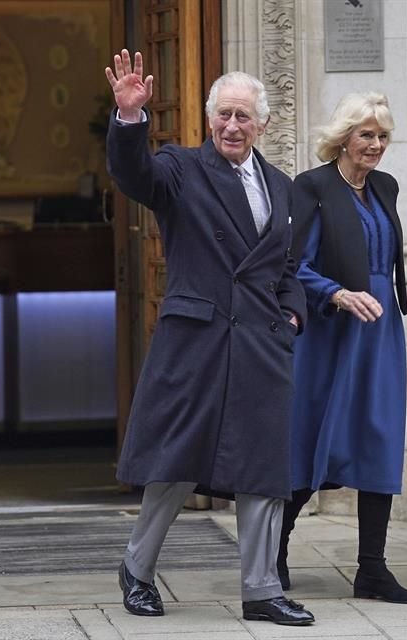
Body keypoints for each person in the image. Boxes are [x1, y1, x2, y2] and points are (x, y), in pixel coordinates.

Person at [104, 49, 314, 626]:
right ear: (208, 119)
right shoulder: (180, 168)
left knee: (263, 468)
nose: (232, 126)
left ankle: (262, 589)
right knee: (175, 463)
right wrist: (129, 121)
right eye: (223, 115)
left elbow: (286, 269)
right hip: (196, 339)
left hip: (260, 343)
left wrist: (292, 316)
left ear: (263, 124)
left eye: (244, 116)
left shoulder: (282, 187)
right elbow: (134, 175)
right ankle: (138, 570)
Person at [277, 92, 407, 605]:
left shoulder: (385, 187)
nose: (376, 145)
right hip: (332, 330)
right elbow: (294, 264)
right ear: (343, 137)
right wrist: (336, 293)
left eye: (383, 136)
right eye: (366, 135)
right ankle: (275, 548)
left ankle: (372, 569)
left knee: (378, 436)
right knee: (318, 437)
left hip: (380, 330)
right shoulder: (312, 187)